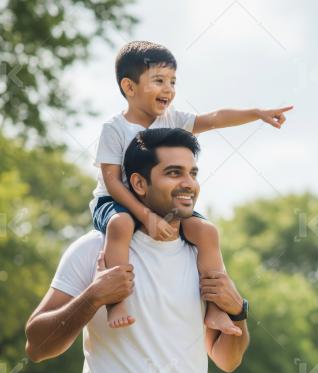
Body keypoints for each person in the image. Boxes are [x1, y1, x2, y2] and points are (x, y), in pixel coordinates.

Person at [25, 128, 249, 373]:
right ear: (139, 183)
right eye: (173, 172)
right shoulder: (94, 249)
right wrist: (93, 297)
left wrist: (238, 311)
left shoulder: (202, 252)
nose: (188, 183)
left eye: (192, 173)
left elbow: (227, 360)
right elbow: (36, 346)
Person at [93, 40, 291, 330]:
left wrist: (256, 113)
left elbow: (215, 119)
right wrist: (144, 216)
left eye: (173, 81)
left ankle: (214, 308)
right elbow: (111, 180)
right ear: (129, 87)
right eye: (158, 80)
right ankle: (116, 301)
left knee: (206, 231)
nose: (169, 89)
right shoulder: (114, 128)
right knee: (120, 225)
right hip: (117, 200)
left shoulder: (172, 119)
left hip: (161, 203)